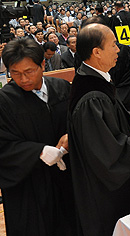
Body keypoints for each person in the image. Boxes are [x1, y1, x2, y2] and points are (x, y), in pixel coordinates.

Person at [68, 23, 130, 235]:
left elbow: (113, 122)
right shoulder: (91, 96)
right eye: (113, 45)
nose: (118, 50)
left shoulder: (97, 79)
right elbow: (105, 150)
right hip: (105, 191)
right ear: (96, 52)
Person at [0, 38, 76, 236]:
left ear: (42, 64)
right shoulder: (5, 101)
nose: (23, 79)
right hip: (29, 187)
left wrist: (71, 135)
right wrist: (38, 151)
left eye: (28, 72)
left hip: (65, 179)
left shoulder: (62, 88)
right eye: (15, 73)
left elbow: (79, 122)